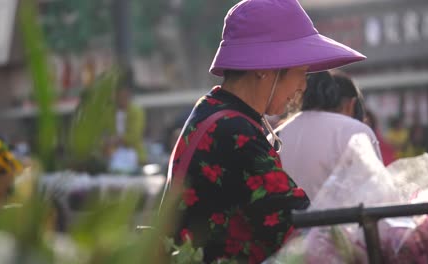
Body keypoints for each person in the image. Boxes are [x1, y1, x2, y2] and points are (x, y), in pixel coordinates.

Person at [162, 0, 366, 262]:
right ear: (264, 68)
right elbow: (302, 227)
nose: (304, 84)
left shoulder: (213, 111)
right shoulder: (235, 132)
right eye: (301, 71)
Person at [274, 71, 380, 201]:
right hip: (342, 220)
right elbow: (377, 192)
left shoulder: (277, 134)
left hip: (286, 219)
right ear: (351, 104)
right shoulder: (356, 132)